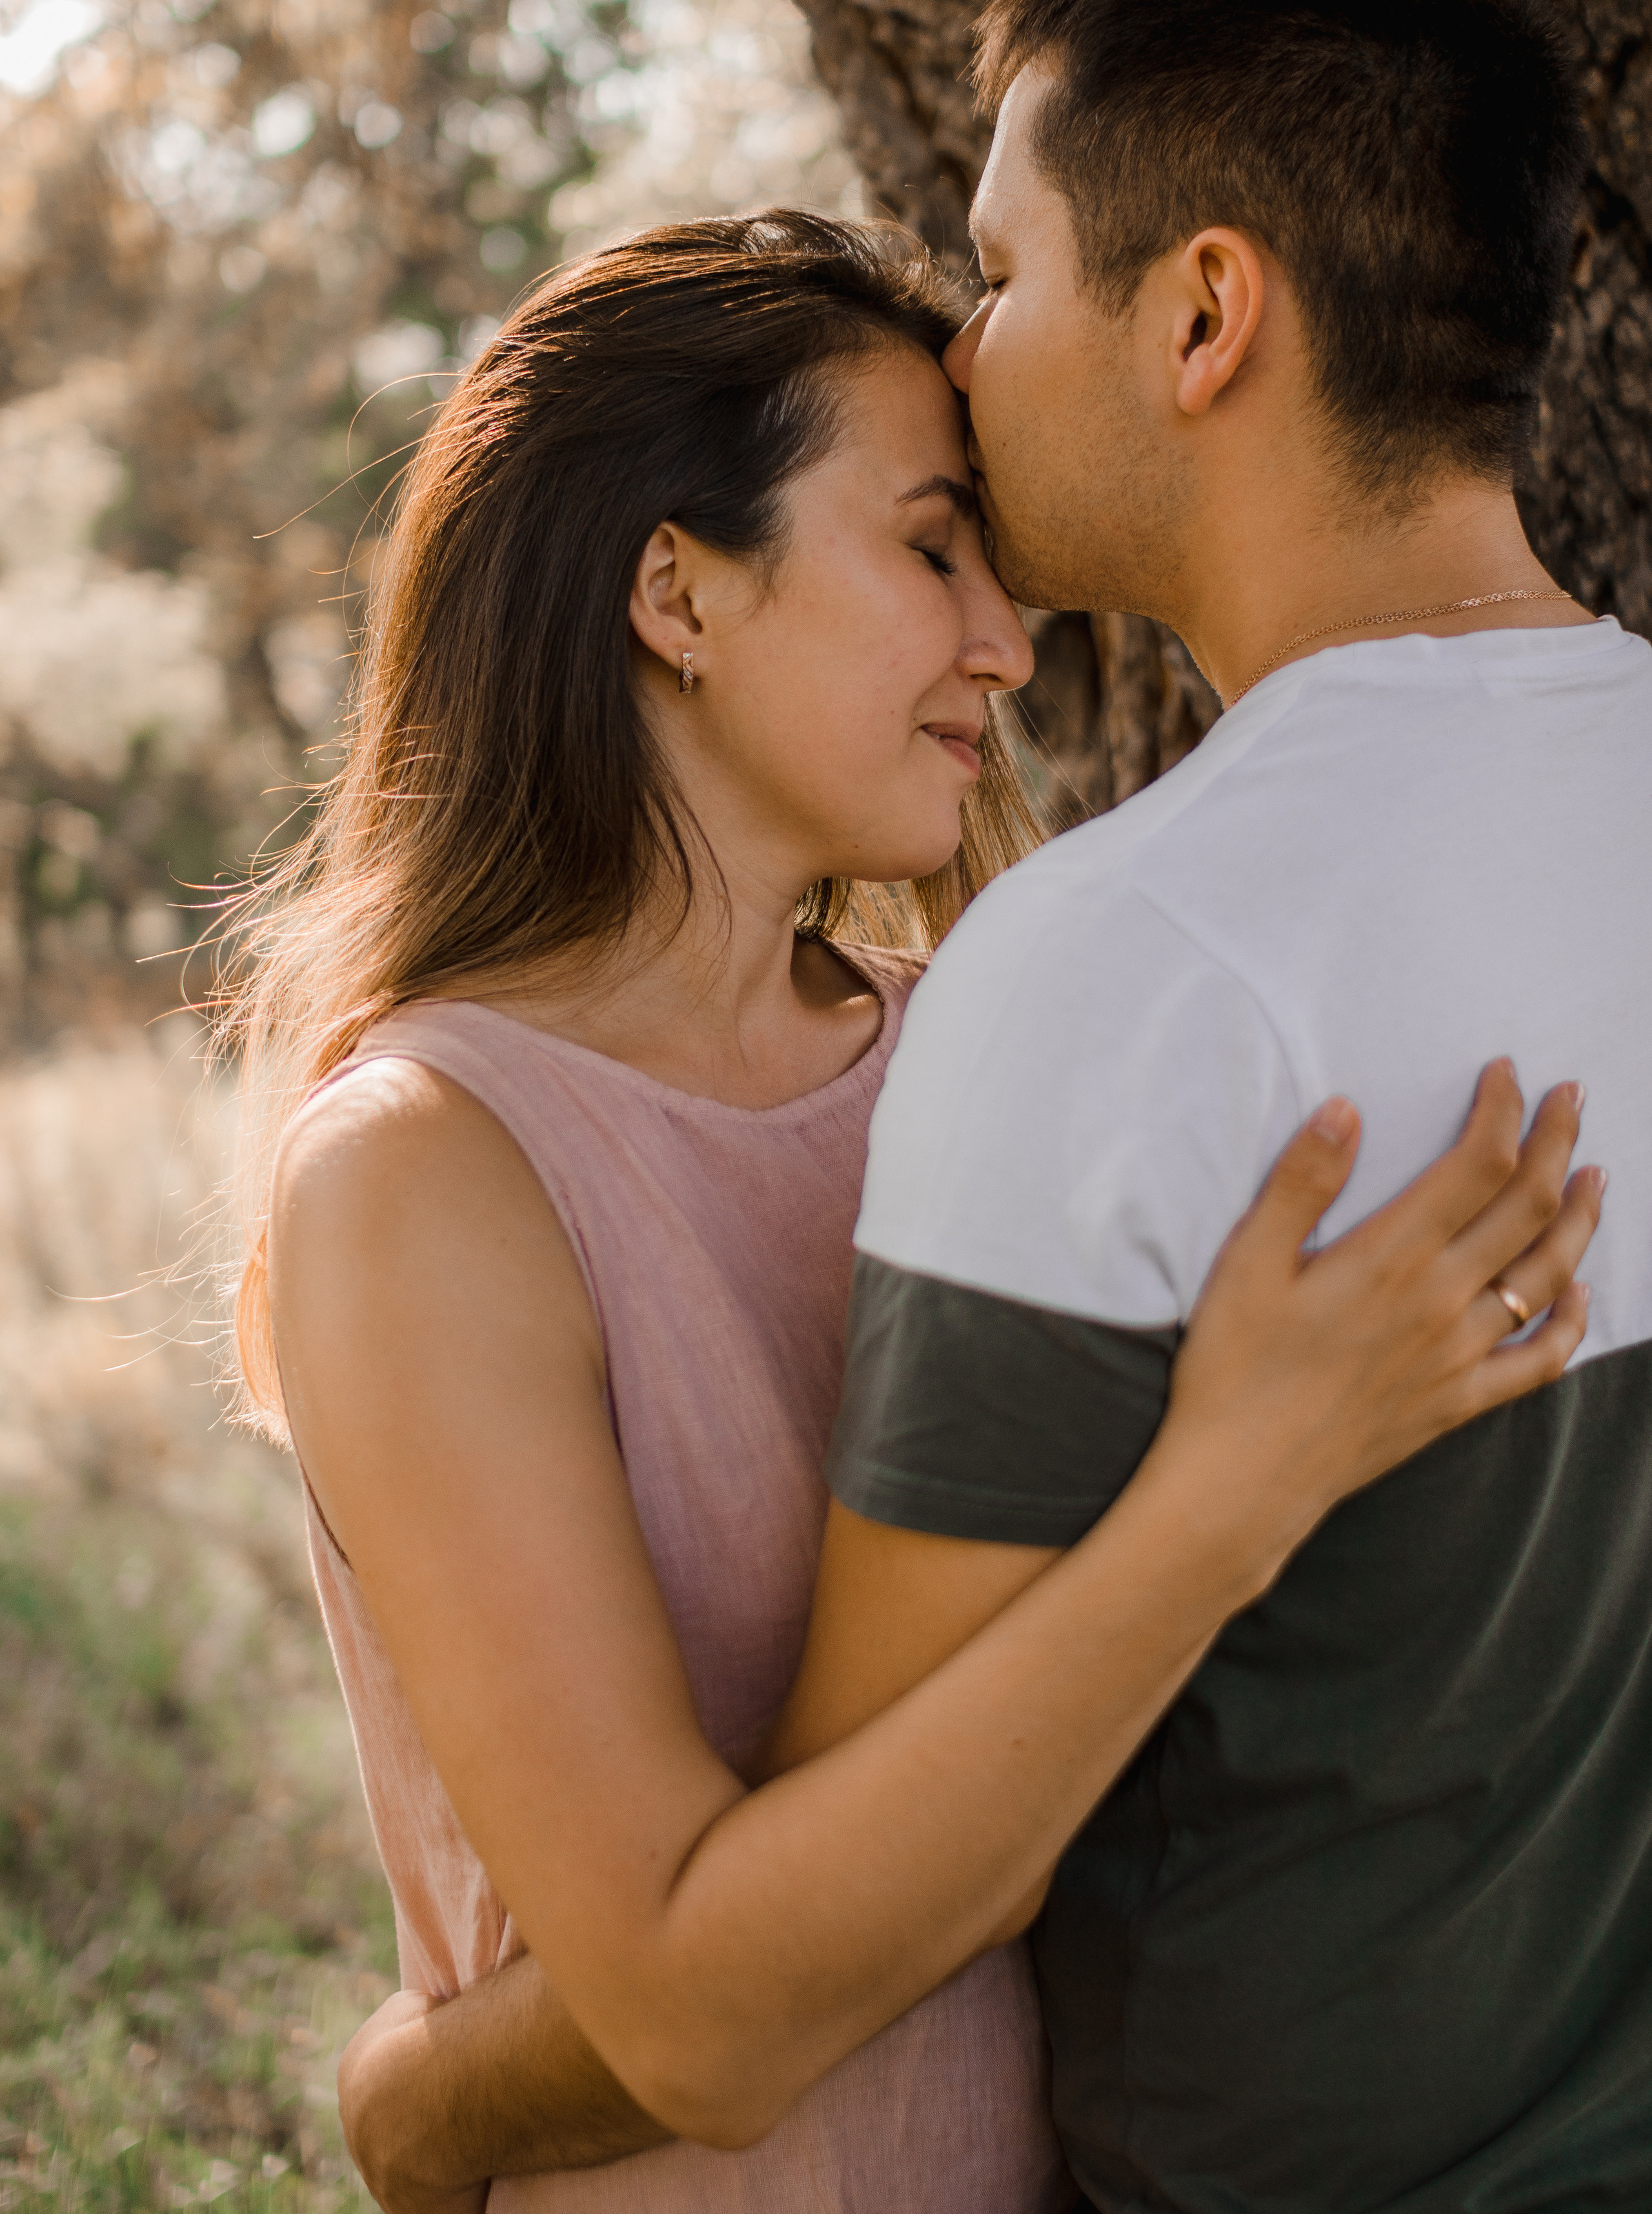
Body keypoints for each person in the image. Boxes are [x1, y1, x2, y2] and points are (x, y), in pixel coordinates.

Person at [236, 206, 1597, 2214]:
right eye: (931, 544)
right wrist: (1245, 1477)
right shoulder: (427, 1173)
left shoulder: (990, 1060)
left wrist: (412, 2096)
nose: (1009, 641)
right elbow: (694, 2018)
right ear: (677, 591)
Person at [790, 0, 1652, 2212]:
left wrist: (424, 2087)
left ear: (1201, 316)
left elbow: (857, 1899)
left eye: (1002, 267)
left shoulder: (1119, 963)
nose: (966, 351)